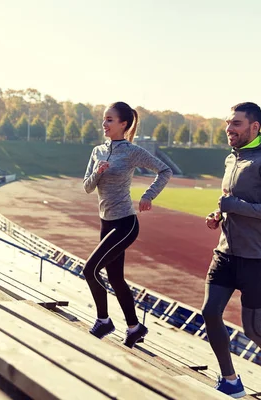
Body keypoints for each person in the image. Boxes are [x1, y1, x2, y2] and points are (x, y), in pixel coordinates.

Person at [202, 102, 261, 399]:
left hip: (258, 258)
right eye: (228, 123)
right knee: (209, 312)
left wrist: (236, 207)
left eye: (237, 124)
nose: (229, 129)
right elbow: (231, 201)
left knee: (253, 329)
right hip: (226, 253)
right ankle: (230, 380)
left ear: (254, 127)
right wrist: (218, 215)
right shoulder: (232, 160)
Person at [82, 101, 172, 347]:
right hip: (105, 223)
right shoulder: (97, 151)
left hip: (125, 224)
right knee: (116, 279)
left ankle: (104, 321)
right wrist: (98, 172)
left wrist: (148, 195)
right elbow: (87, 187)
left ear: (124, 124)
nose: (105, 123)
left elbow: (164, 171)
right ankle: (134, 327)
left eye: (110, 120)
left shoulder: (132, 151)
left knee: (89, 270)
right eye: (104, 119)